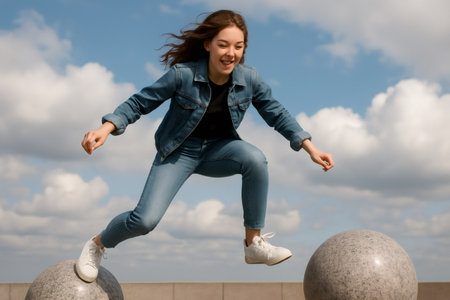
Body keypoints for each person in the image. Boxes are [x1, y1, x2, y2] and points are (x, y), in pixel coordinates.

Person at [76, 9, 334, 283]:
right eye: (223, 45)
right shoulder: (182, 75)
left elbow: (277, 113)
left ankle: (253, 244)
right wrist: (107, 127)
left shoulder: (250, 80)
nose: (230, 53)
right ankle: (97, 244)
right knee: (144, 221)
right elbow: (140, 102)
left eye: (238, 46)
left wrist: (310, 148)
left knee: (255, 159)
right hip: (178, 152)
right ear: (208, 44)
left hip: (219, 151)